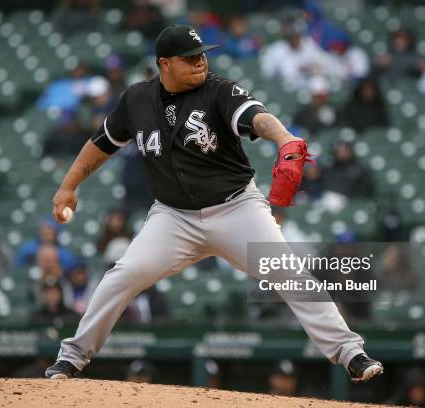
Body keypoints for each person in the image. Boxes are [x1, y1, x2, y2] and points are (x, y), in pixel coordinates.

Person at [45, 24, 383, 382]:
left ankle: (351, 353)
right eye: (189, 58)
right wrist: (69, 186)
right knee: (123, 275)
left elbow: (258, 117)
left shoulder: (219, 91)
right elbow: (103, 142)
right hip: (173, 217)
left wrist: (284, 138)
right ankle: (72, 358)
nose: (200, 62)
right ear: (164, 64)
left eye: (202, 54)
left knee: (291, 274)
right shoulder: (136, 100)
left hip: (236, 209)